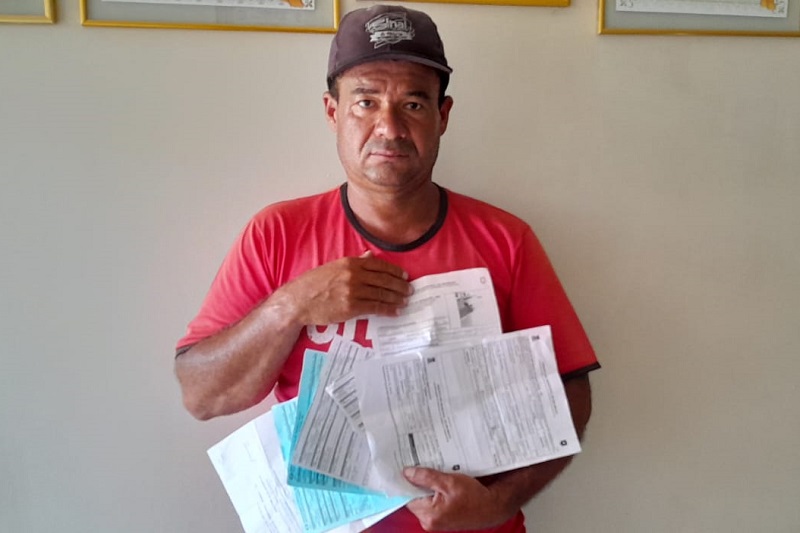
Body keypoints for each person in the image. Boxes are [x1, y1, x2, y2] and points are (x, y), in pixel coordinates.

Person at [175, 4, 600, 532]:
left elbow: (569, 395)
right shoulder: (277, 233)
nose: (390, 127)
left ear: (443, 115)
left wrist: (496, 504)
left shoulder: (506, 240)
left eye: (413, 104)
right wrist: (292, 305)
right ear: (333, 111)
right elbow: (202, 396)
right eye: (366, 101)